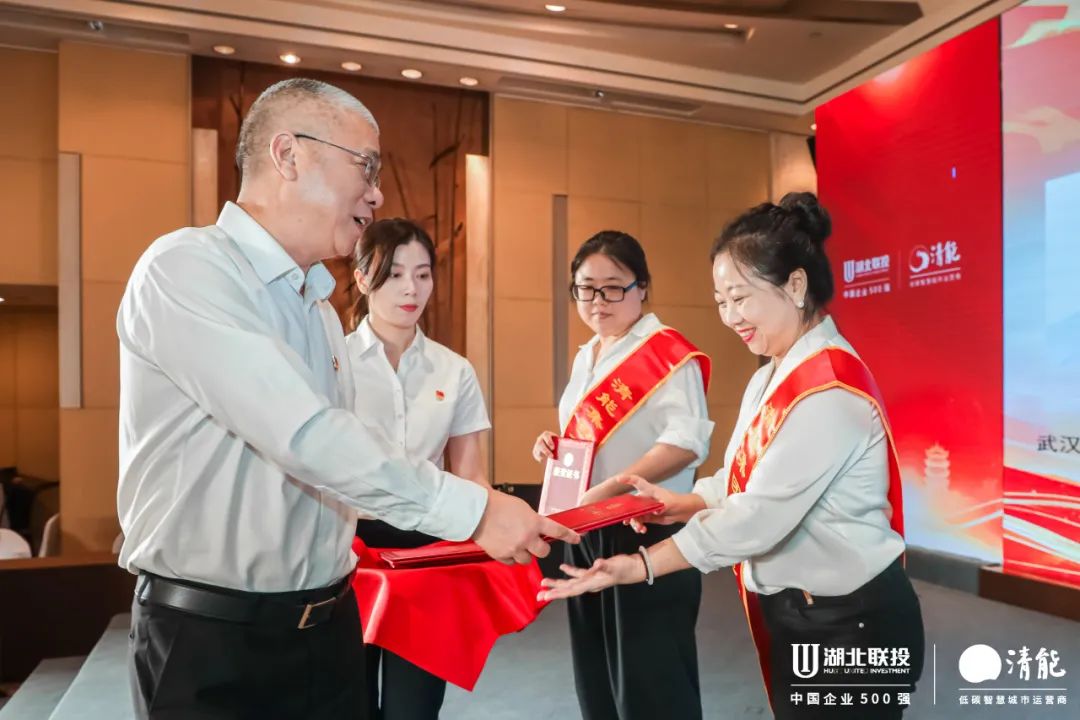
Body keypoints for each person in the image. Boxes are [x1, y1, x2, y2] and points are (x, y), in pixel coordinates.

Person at [116, 78, 578, 720]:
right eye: (365, 166)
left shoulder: (318, 310)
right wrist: (475, 511)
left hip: (328, 628)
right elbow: (306, 436)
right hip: (214, 641)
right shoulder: (188, 269)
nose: (377, 193)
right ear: (288, 155)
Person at [539, 194, 925, 719]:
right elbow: (739, 477)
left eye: (740, 298)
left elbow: (756, 517)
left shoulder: (829, 389)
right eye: (721, 301)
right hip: (804, 610)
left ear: (795, 285)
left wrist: (641, 565)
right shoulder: (772, 374)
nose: (729, 317)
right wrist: (679, 502)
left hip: (850, 621)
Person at [531, 231, 714, 720]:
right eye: (586, 288)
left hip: (647, 529)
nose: (598, 300)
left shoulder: (667, 353)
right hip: (588, 529)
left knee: (652, 686)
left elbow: (687, 443)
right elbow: (597, 439)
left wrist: (616, 485)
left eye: (613, 287)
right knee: (597, 680)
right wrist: (556, 446)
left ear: (642, 287)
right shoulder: (587, 355)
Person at [346, 218, 491, 719]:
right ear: (362, 278)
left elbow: (470, 476)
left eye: (423, 274)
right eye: (394, 274)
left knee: (416, 708)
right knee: (348, 703)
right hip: (348, 553)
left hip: (428, 556)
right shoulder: (334, 361)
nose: (411, 288)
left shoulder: (455, 370)